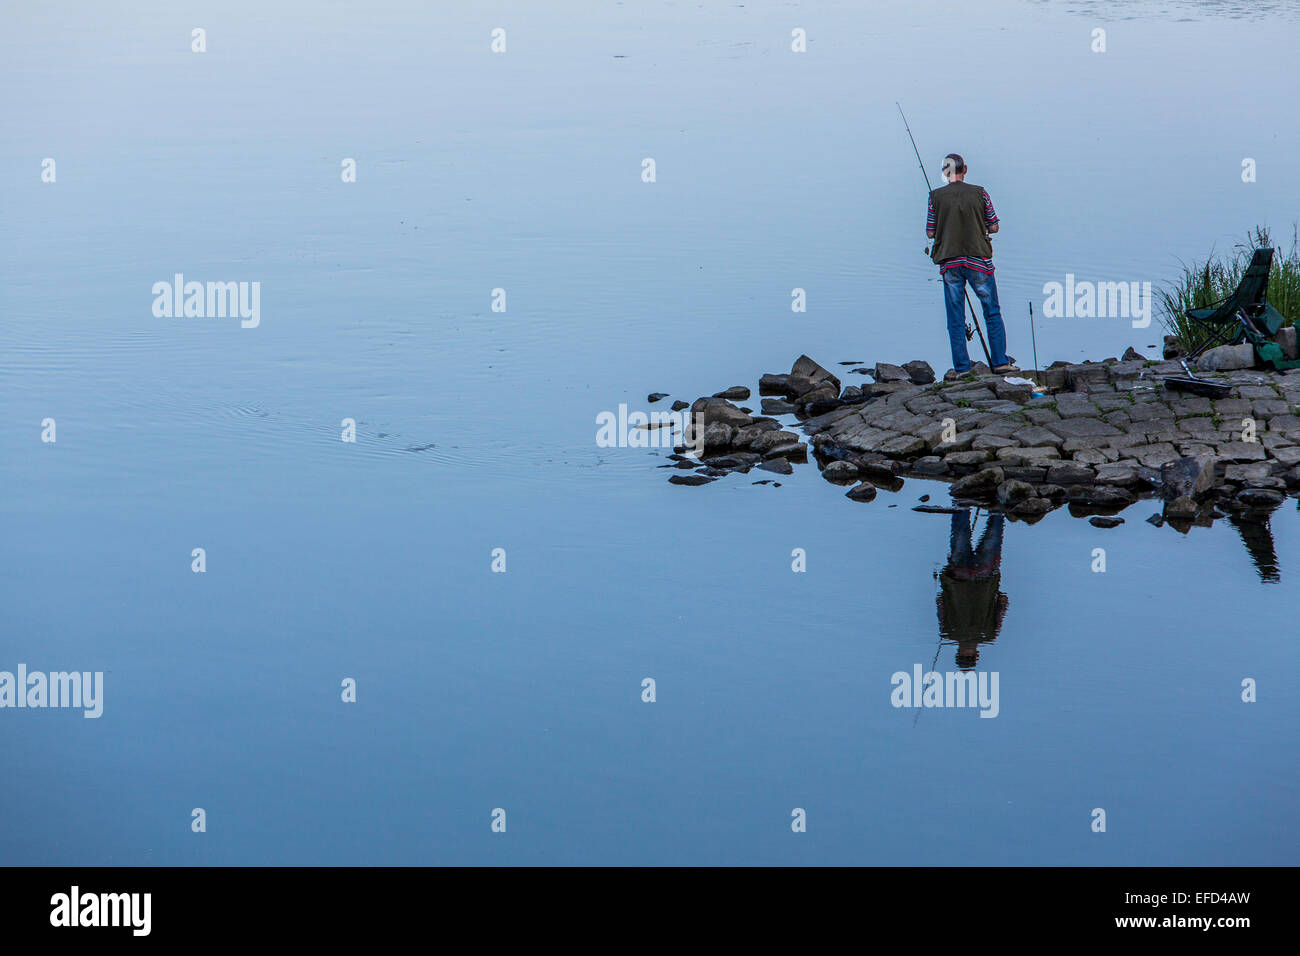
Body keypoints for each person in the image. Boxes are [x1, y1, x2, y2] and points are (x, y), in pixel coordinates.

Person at [925, 154, 1015, 377]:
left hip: (950, 263)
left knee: (955, 317)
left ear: (945, 172)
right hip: (979, 262)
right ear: (965, 169)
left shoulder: (934, 196)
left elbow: (930, 232)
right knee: (992, 312)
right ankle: (1000, 362)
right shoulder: (980, 192)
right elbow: (994, 227)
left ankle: (962, 368)